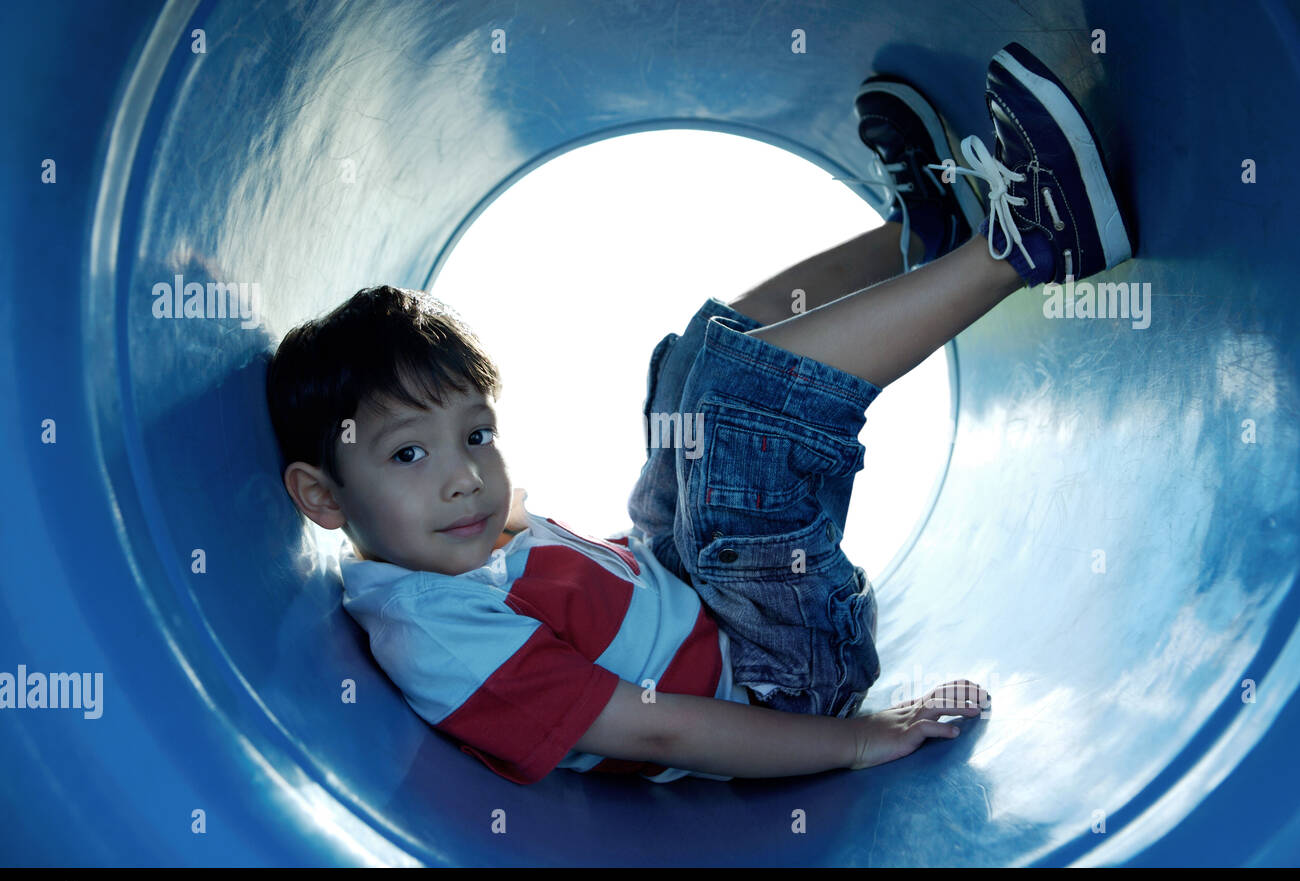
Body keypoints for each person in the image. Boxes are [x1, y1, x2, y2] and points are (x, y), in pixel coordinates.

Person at [265, 43, 1133, 785]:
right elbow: (660, 729)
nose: (464, 475)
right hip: (770, 675)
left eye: (476, 435)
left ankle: (919, 242)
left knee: (692, 362)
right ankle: (1036, 245)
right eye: (409, 456)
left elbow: (574, 580)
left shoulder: (442, 545)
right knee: (731, 415)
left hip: (676, 580)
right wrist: (865, 737)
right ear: (324, 498)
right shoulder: (433, 636)